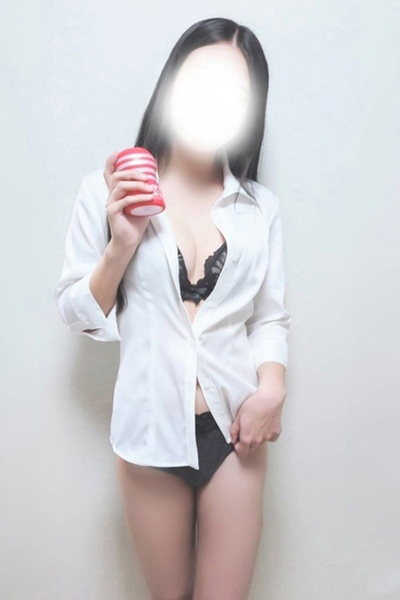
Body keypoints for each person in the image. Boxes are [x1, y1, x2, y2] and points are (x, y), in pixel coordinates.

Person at [54, 17, 292, 600]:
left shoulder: (258, 207)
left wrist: (272, 390)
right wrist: (121, 245)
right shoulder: (106, 192)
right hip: (148, 434)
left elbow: (269, 318)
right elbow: (77, 314)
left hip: (234, 435)